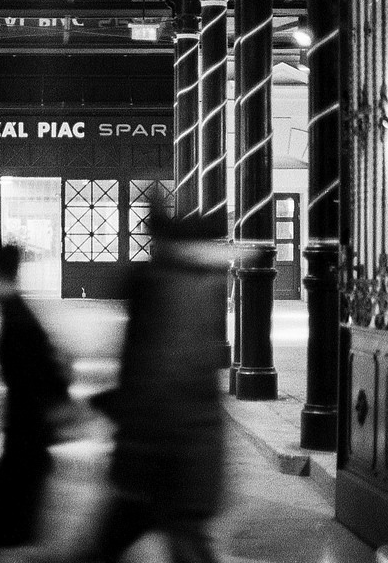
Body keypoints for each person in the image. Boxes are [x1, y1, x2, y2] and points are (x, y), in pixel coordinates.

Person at [83, 212, 235, 563]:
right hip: (181, 453)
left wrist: (109, 404)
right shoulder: (200, 285)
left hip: (164, 455)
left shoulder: (165, 288)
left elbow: (163, 374)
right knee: (153, 536)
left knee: (129, 538)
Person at [0, 244, 75, 563]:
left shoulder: (16, 319)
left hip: (27, 436)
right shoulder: (13, 311)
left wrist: (56, 410)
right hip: (25, 434)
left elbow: (41, 372)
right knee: (7, 525)